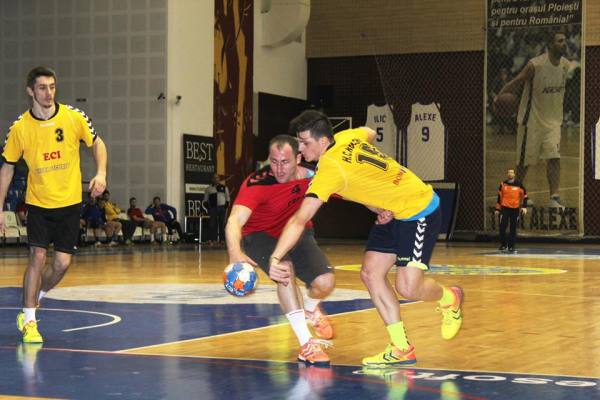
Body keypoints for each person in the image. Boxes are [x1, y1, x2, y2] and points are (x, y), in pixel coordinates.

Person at [269, 110, 463, 366]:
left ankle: (450, 298)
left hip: (418, 210)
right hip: (391, 211)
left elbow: (299, 219)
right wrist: (376, 186)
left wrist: (276, 257)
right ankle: (401, 348)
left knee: (408, 288)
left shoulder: (329, 169)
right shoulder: (347, 136)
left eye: (305, 143)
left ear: (323, 141)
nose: (301, 149)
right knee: (371, 274)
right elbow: (369, 132)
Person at [0, 66, 107, 343]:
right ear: (30, 91)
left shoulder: (74, 117)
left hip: (69, 203)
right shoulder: (20, 128)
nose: (48, 93)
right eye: (42, 88)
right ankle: (29, 320)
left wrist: (101, 173)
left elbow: (97, 143)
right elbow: (7, 168)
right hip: (38, 203)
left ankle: (34, 299)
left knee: (61, 264)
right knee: (37, 256)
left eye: (52, 87)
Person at [226, 135, 335, 366]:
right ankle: (306, 344)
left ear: (298, 158)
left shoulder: (315, 177)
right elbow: (234, 220)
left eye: (285, 162)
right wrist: (234, 253)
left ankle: (309, 309)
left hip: (298, 233)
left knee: (325, 283)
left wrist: (380, 209)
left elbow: (351, 188)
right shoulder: (257, 183)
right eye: (274, 161)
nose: (278, 168)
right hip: (260, 236)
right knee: (284, 270)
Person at [494, 29, 570, 209]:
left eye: (565, 40)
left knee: (554, 158)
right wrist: (499, 97)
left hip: (553, 122)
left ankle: (554, 197)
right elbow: (517, 81)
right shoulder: (535, 65)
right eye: (560, 41)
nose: (564, 44)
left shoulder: (565, 65)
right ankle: (517, 195)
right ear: (550, 44)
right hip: (531, 122)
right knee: (524, 163)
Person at [495, 168, 528, 253]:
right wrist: (497, 209)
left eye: (512, 172)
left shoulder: (519, 184)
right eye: (509, 172)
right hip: (504, 208)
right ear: (507, 174)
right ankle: (503, 245)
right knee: (502, 226)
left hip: (515, 209)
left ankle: (511, 246)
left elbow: (525, 196)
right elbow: (499, 197)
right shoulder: (503, 184)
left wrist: (524, 207)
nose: (510, 174)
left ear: (514, 174)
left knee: (513, 228)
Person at [204, 173, 230, 245]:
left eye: (217, 178)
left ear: (219, 179)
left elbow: (228, 198)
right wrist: (209, 208)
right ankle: (211, 240)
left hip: (222, 208)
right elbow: (205, 200)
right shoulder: (208, 189)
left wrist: (225, 207)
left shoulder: (224, 187)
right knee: (212, 224)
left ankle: (222, 240)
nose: (216, 179)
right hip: (213, 209)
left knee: (222, 224)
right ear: (212, 179)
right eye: (214, 178)